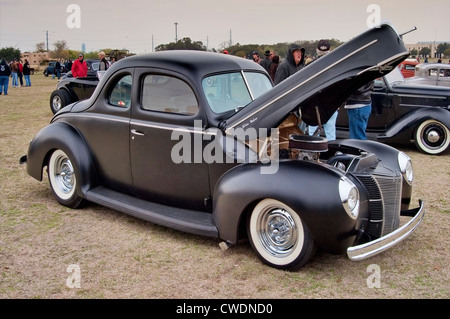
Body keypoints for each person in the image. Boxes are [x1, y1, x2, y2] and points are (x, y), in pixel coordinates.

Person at [307, 39, 338, 141]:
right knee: (330, 133)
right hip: (331, 103)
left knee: (313, 133)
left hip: (315, 104)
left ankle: (312, 154)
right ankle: (332, 153)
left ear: (317, 51)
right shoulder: (336, 66)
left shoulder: (311, 66)